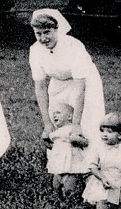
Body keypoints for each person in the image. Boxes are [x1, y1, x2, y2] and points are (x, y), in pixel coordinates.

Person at [28, 8, 106, 142]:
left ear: (56, 30)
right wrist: (47, 123)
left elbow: (80, 89)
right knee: (58, 122)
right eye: (38, 34)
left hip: (85, 83)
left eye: (47, 32)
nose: (43, 38)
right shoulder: (35, 50)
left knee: (87, 126)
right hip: (58, 83)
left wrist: (76, 124)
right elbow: (40, 87)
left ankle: (91, 160)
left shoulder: (73, 46)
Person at [42, 100, 92, 200]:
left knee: (69, 188)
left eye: (58, 113)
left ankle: (70, 202)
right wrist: (45, 140)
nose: (54, 115)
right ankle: (58, 202)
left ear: (69, 117)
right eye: (54, 113)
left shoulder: (72, 130)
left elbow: (86, 143)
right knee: (55, 186)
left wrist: (76, 139)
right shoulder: (56, 132)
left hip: (70, 166)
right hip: (58, 165)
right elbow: (53, 146)